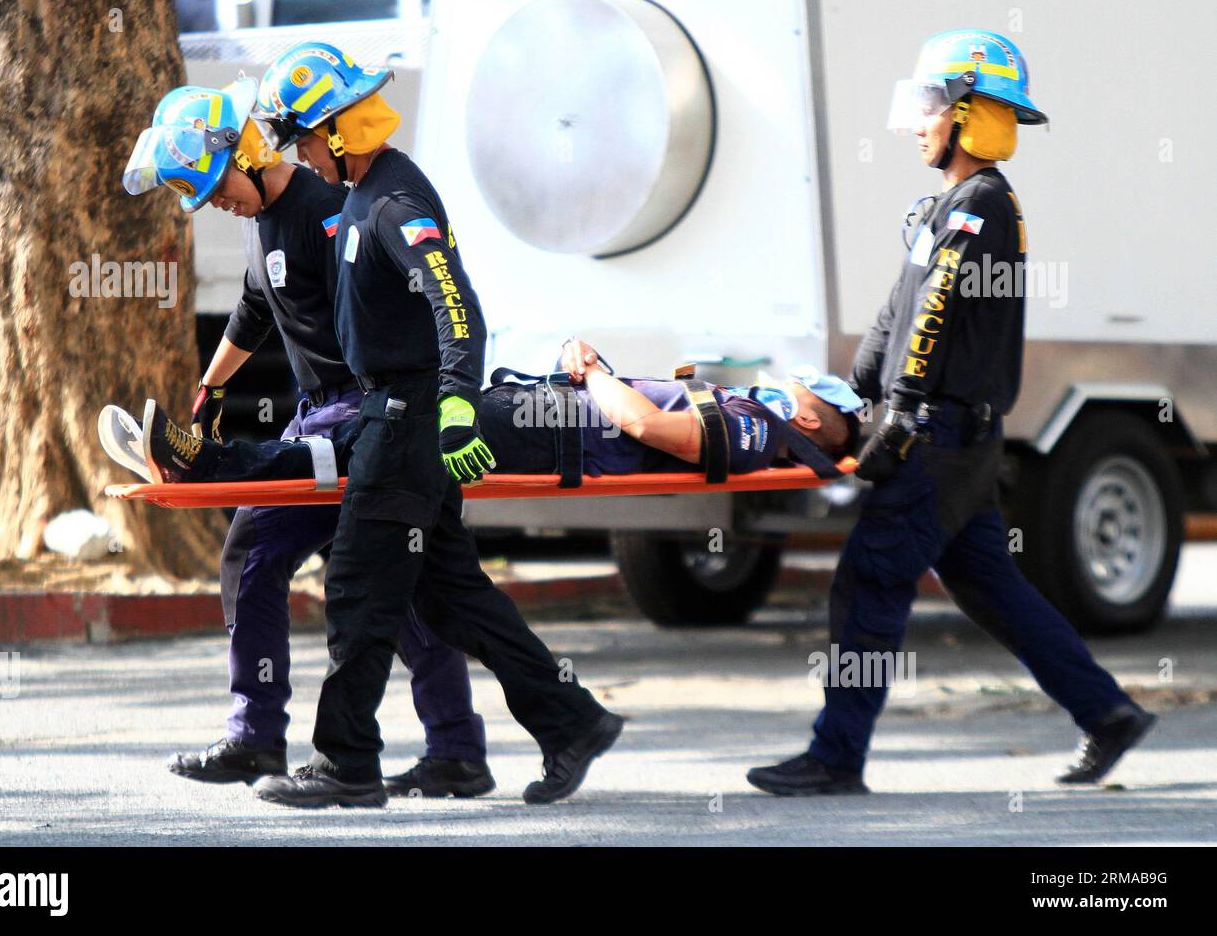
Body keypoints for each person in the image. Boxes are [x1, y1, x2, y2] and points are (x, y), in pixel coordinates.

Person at [745, 30, 1155, 797]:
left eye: (932, 106)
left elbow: (936, 306)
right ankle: (1108, 713)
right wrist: (857, 386)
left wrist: (898, 412)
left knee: (867, 582)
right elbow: (898, 307)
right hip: (953, 437)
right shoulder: (949, 206)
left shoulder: (983, 205)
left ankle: (836, 756)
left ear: (971, 114)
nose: (919, 124)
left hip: (939, 436)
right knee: (991, 588)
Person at [244, 43, 623, 807]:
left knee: (356, 587)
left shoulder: (392, 203)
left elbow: (456, 305)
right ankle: (571, 719)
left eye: (308, 138)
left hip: (409, 419)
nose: (304, 154)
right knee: (449, 596)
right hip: (395, 410)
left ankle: (347, 763)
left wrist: (456, 402)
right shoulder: (359, 191)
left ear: (339, 132)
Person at [121, 77, 496, 798]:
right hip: (321, 414)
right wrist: (212, 386)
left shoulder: (331, 213)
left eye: (217, 187)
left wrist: (403, 415)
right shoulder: (262, 218)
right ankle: (454, 749)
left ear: (252, 152)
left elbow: (404, 307)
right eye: (202, 198)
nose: (215, 204)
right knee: (397, 584)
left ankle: (259, 736)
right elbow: (258, 303)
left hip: (361, 416)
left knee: (265, 550)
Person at [98, 340, 862, 487]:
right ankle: (207, 455)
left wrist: (593, 374)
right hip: (555, 413)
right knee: (382, 423)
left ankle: (206, 460)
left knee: (393, 427)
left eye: (811, 391)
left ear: (824, 421)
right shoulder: (758, 408)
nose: (795, 388)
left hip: (564, 426)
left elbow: (652, 428)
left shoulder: (766, 430)